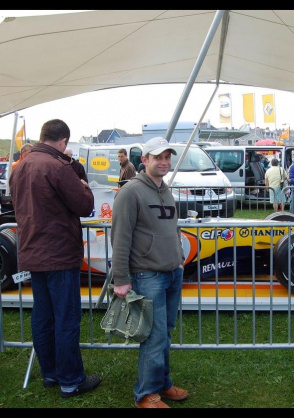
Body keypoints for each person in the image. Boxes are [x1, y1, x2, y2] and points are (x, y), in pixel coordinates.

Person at [9, 119, 101, 398]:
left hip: (32, 250)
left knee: (43, 316)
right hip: (58, 253)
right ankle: (70, 379)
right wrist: (84, 185)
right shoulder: (57, 166)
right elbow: (85, 205)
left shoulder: (20, 166)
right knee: (65, 318)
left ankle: (50, 372)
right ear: (62, 141)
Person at [110, 137, 188, 409]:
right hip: (147, 275)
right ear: (145, 160)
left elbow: (174, 228)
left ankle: (162, 384)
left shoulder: (166, 190)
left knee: (165, 333)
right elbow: (120, 237)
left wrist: (178, 259)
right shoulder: (130, 192)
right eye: (158, 157)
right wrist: (120, 279)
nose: (164, 162)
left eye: (167, 156)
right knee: (154, 336)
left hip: (171, 273)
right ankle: (145, 394)